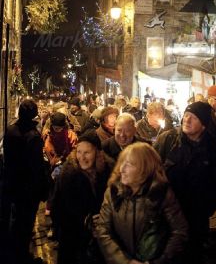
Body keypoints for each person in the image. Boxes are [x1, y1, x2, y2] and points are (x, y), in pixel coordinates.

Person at [155, 101, 216, 264]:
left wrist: (209, 207)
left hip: (197, 214)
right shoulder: (168, 139)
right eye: (186, 116)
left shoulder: (212, 148)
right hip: (169, 211)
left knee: (193, 252)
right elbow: (152, 169)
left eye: (193, 118)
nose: (187, 120)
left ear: (203, 125)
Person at [96, 142, 188, 264]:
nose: (121, 169)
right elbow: (103, 230)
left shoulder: (161, 194)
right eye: (122, 162)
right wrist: (125, 261)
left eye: (129, 164)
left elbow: (179, 231)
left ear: (145, 168)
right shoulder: (113, 192)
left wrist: (158, 262)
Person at [51, 130, 110, 264]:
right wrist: (84, 221)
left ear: (97, 153)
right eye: (79, 152)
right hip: (73, 240)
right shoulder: (68, 175)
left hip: (100, 241)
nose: (81, 157)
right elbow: (57, 209)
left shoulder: (107, 172)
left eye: (87, 152)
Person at [2, 100, 49, 264]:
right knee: (25, 223)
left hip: (12, 184)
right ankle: (22, 256)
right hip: (28, 189)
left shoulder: (10, 130)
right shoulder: (33, 136)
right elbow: (36, 166)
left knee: (15, 222)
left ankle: (15, 253)